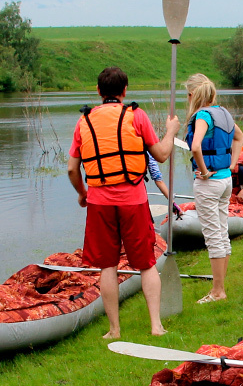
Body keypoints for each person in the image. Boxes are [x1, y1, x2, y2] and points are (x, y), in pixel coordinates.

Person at [67, 66, 179, 338]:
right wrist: (172, 130)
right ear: (125, 90)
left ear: (98, 91)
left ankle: (114, 330)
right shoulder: (136, 116)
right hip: (134, 200)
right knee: (146, 263)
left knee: (108, 265)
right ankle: (155, 326)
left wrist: (82, 193)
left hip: (99, 203)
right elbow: (162, 154)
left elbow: (72, 169)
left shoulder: (84, 121)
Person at [184, 73, 240, 304]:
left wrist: (205, 171)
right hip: (226, 180)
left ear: (191, 95)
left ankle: (218, 291)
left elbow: (196, 145)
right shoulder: (223, 113)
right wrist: (233, 164)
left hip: (209, 183)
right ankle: (220, 285)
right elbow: (237, 137)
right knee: (222, 232)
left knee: (213, 236)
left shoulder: (202, 115)